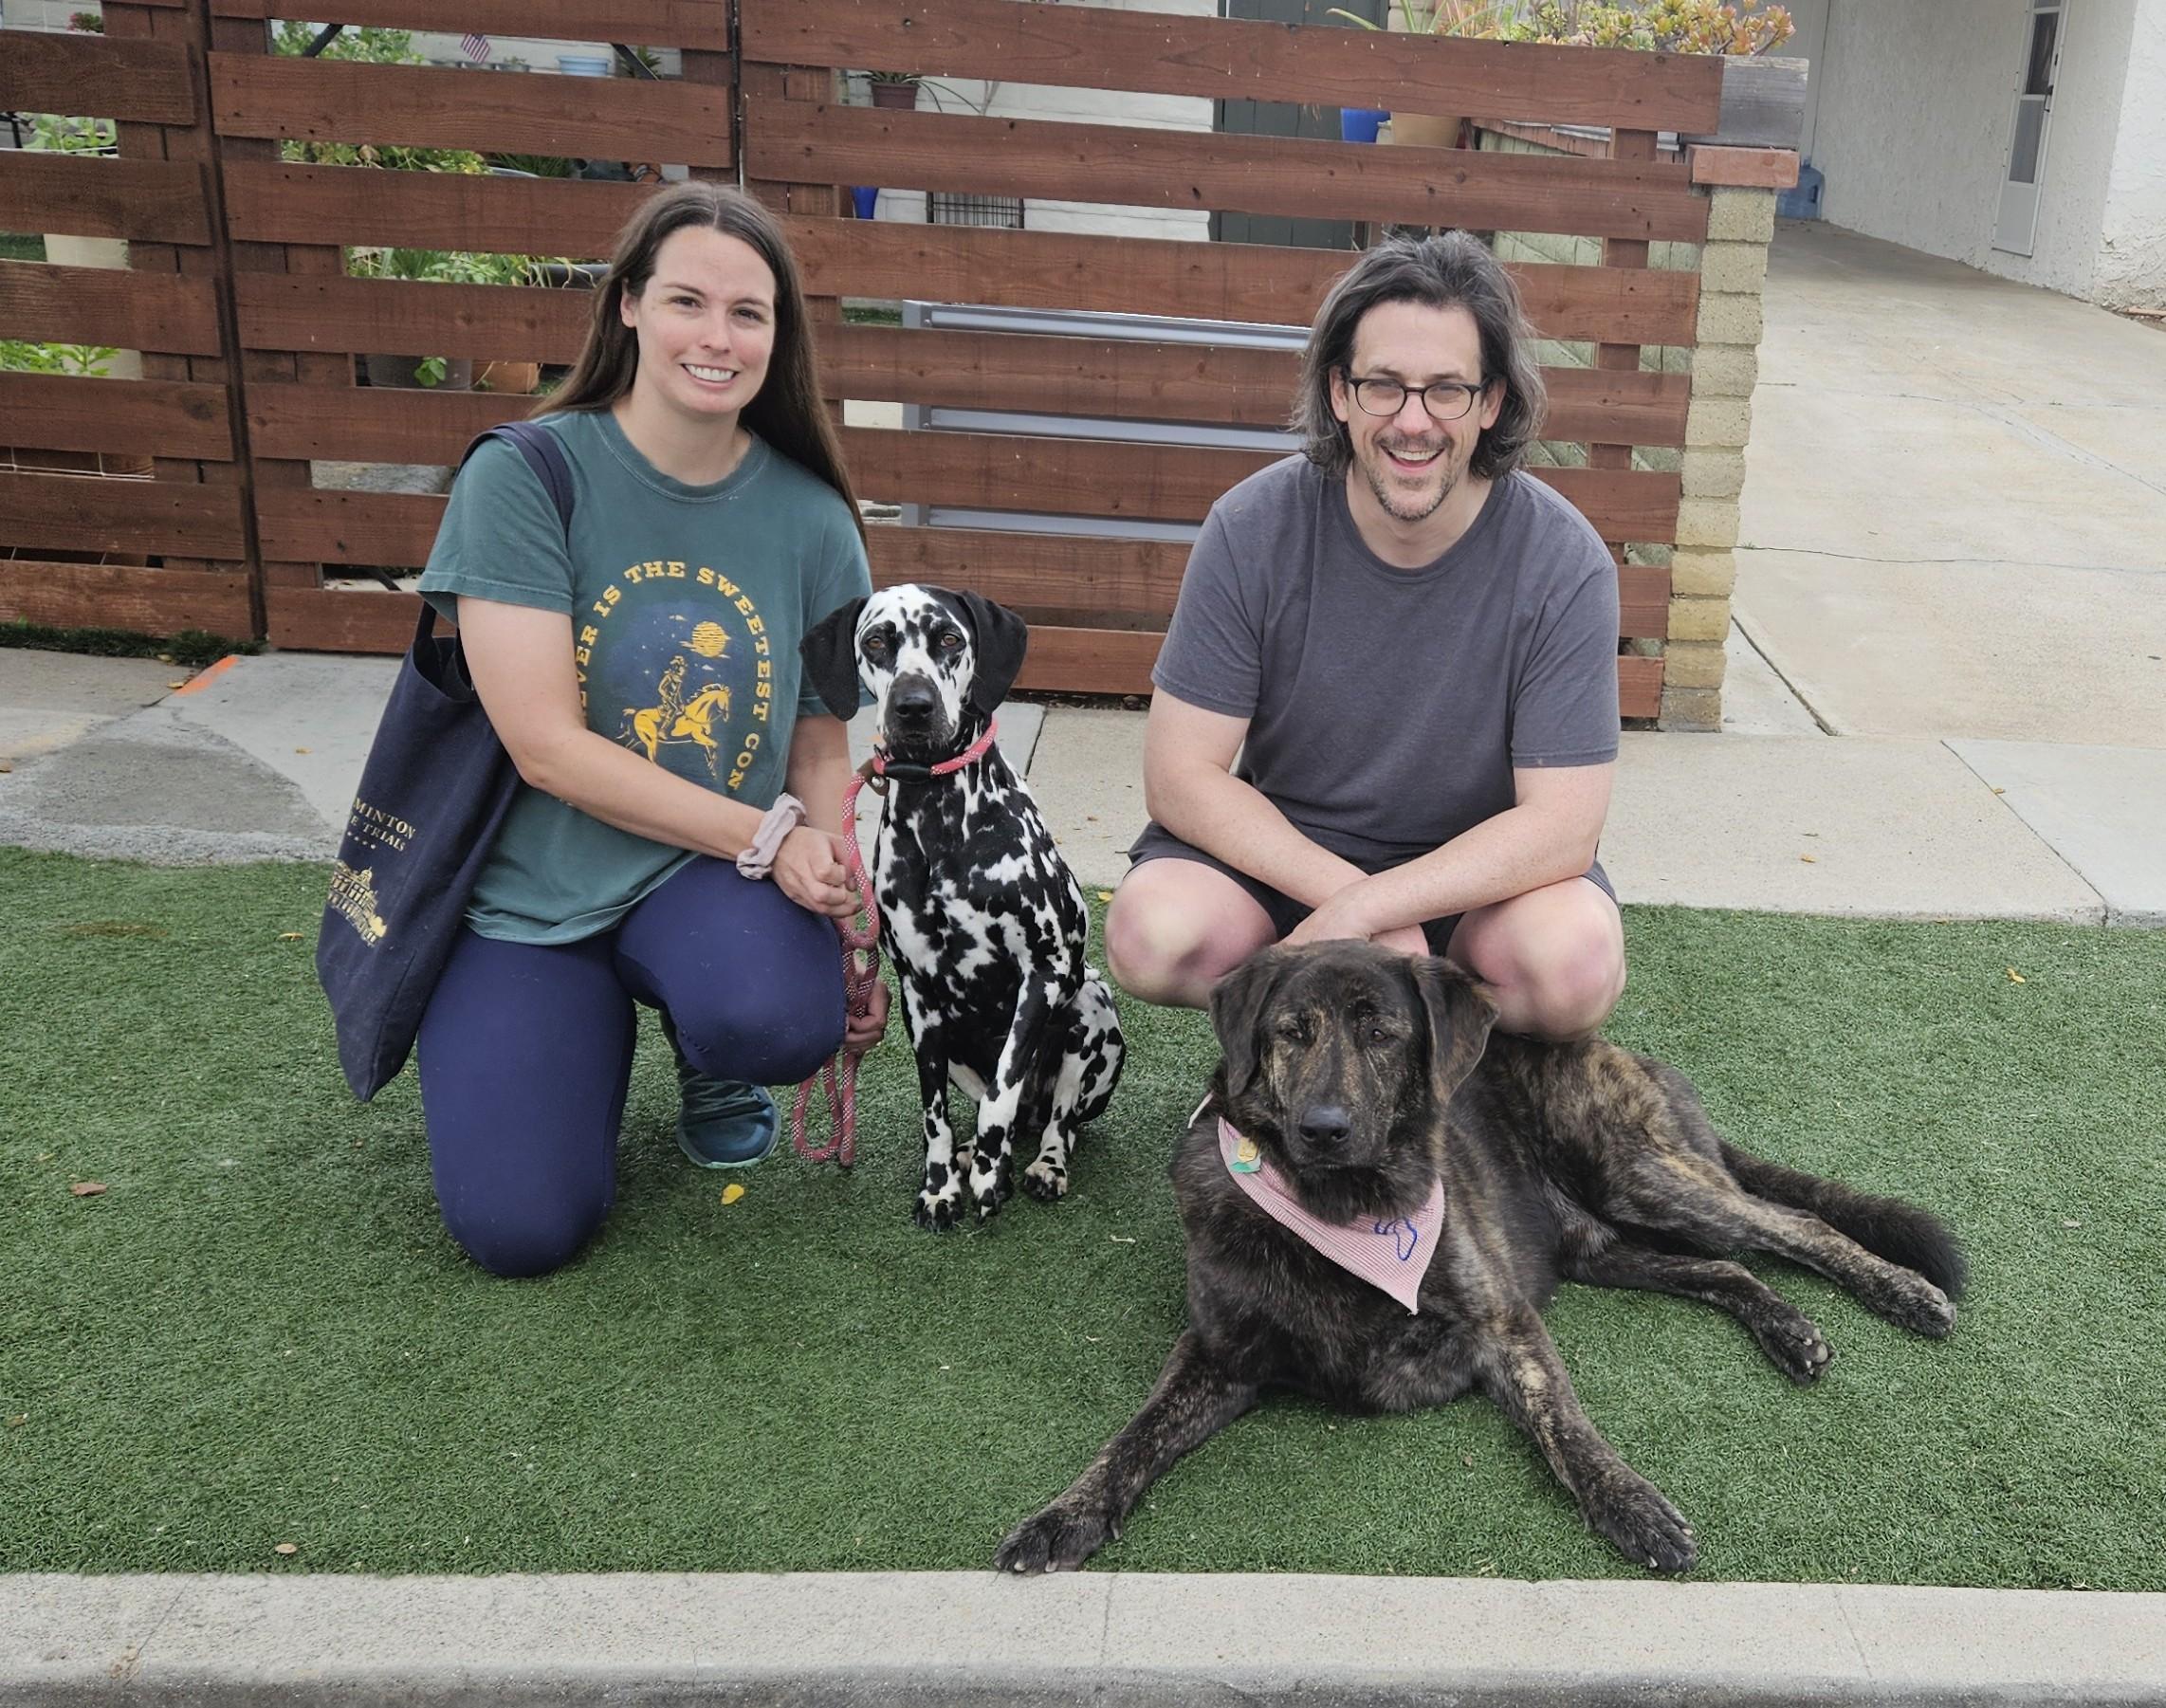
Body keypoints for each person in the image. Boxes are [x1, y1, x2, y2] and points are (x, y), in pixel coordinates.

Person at [413, 182, 887, 1277]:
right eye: (687, 301)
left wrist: (838, 905)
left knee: (776, 1018)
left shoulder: (814, 518)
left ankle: (702, 1036)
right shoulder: (526, 476)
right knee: (520, 1231)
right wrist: (767, 840)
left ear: (780, 335)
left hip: (704, 880)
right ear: (627, 306)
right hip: (530, 892)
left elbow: (819, 744)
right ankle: (576, 1022)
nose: (716, 338)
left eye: (749, 313)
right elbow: (546, 747)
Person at [1108, 230, 1624, 1041]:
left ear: (1491, 403)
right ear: (1339, 392)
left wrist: (1380, 908)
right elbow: (1178, 776)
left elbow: (1563, 825)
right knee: (1150, 933)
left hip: (1477, 894)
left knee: (1575, 968)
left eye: (1446, 390)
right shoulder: (1251, 528)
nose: (1413, 422)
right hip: (1284, 872)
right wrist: (1343, 901)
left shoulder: (1566, 562)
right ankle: (1324, 1029)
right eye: (1384, 385)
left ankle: (1408, 1040)